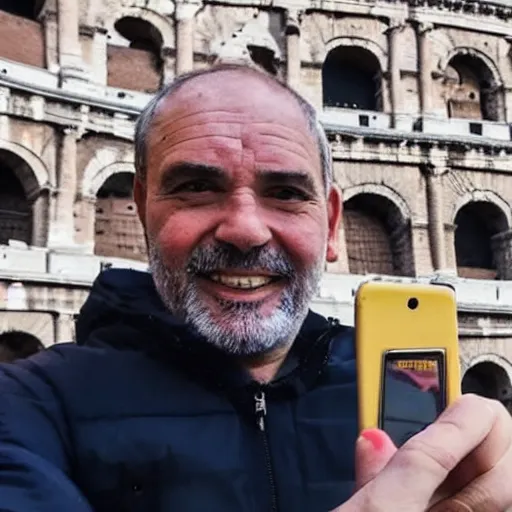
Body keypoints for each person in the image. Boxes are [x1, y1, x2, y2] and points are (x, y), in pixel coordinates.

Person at [0, 63, 510, 512]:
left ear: (331, 224)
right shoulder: (27, 409)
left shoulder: (410, 390)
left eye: (286, 193)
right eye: (197, 187)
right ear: (143, 207)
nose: (245, 230)